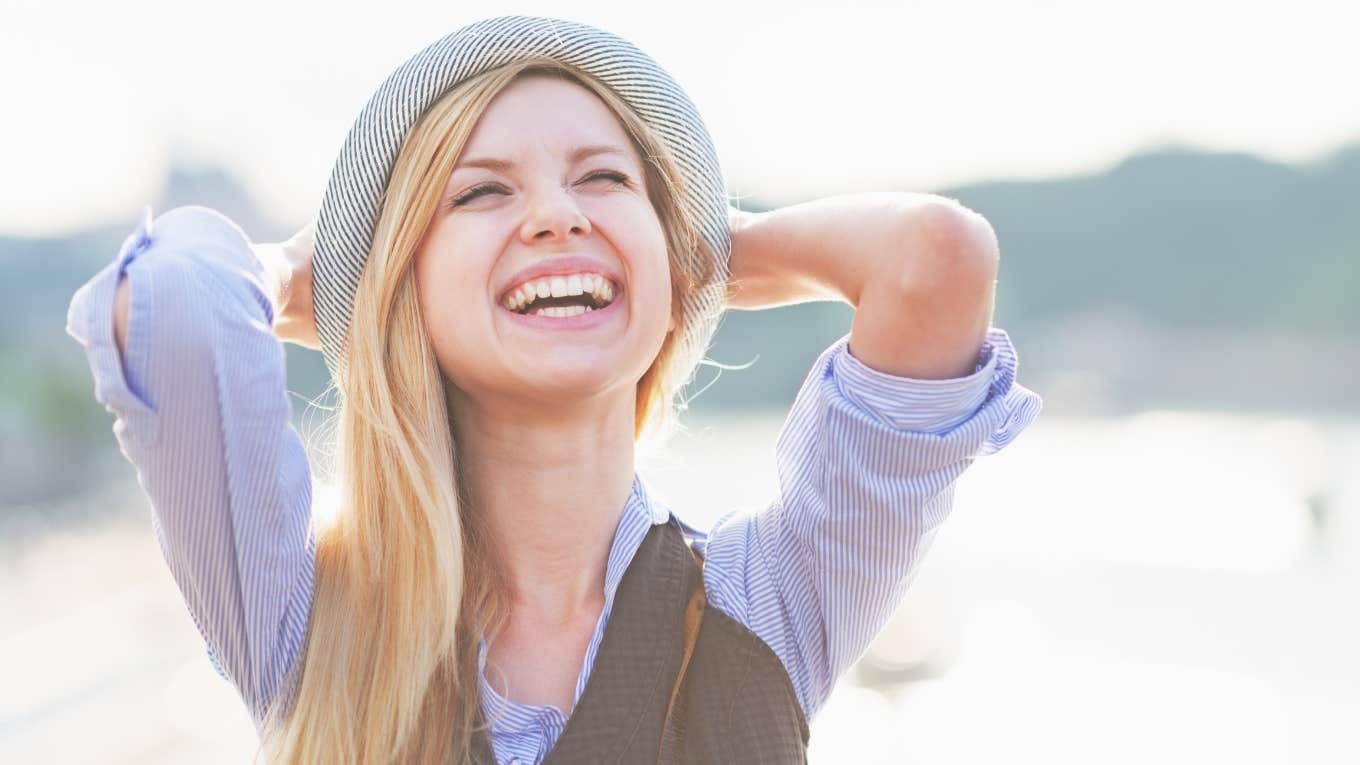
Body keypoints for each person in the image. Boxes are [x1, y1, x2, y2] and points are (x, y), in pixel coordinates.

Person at [66, 16, 1042, 765]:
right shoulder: (302, 614)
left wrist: (681, 252)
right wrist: (336, 284)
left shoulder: (772, 602)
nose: (555, 217)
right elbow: (171, 297)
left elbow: (935, 257)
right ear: (404, 284)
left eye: (602, 181)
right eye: (482, 192)